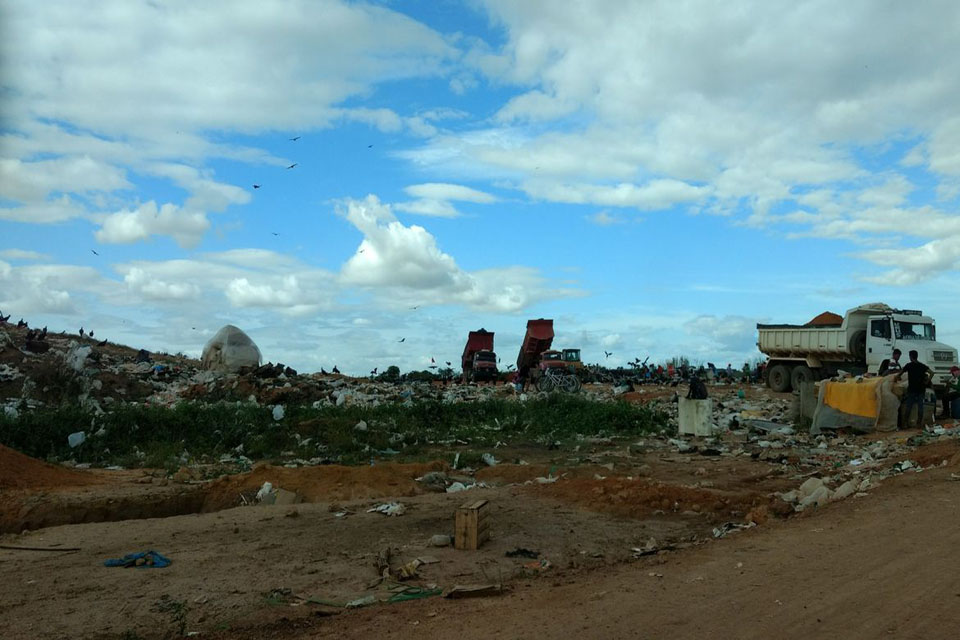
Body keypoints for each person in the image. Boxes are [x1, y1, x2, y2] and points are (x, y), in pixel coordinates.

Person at [894, 350, 931, 428]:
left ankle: (905, 423)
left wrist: (896, 378)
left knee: (909, 406)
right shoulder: (922, 366)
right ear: (916, 356)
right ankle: (919, 424)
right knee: (920, 407)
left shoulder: (909, 365)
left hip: (912, 390)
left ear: (911, 357)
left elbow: (900, 373)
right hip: (921, 389)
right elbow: (932, 373)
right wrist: (927, 381)